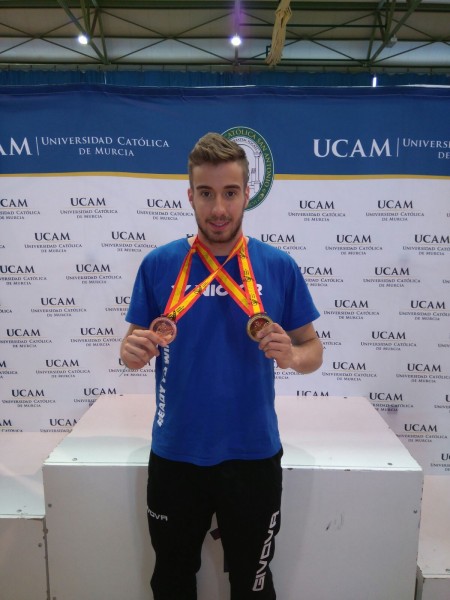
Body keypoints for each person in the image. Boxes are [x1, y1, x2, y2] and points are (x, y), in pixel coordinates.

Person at [120, 132, 323, 600]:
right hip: (176, 454)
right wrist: (130, 351)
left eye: (230, 193)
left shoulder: (278, 266)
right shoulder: (158, 265)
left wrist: (292, 355)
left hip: (252, 455)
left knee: (254, 588)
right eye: (206, 193)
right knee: (171, 584)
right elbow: (131, 342)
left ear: (247, 194)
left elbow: (312, 349)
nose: (218, 208)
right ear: (190, 195)